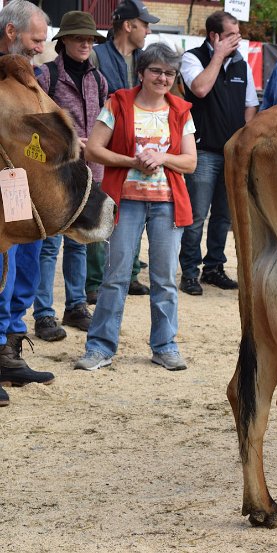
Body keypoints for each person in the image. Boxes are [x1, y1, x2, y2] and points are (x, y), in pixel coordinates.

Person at [74, 42, 197, 372]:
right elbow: (94, 150)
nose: (163, 77)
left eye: (169, 72)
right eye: (156, 70)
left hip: (166, 204)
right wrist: (132, 161)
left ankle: (164, 345)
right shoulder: (117, 103)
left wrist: (163, 157)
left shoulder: (181, 110)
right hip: (125, 202)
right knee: (115, 277)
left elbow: (190, 162)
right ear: (140, 72)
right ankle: (100, 346)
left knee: (165, 279)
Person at [32, 11, 108, 343]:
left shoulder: (99, 79)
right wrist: (66, 141)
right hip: (53, 174)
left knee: (79, 243)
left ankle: (76, 306)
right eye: (79, 38)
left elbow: (105, 122)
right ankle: (44, 314)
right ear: (63, 41)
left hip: (89, 174)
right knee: (48, 246)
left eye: (90, 39)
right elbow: (32, 121)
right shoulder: (44, 75)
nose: (85, 43)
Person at [178, 11, 258, 296]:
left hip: (232, 154)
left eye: (238, 35)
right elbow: (199, 89)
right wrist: (218, 57)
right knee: (196, 215)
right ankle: (190, 272)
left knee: (224, 217)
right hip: (201, 151)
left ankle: (214, 268)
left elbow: (251, 105)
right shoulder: (193, 57)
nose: (236, 41)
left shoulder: (242, 64)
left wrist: (245, 139)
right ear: (214, 36)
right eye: (230, 36)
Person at [0, 0, 55, 407]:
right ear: (11, 33)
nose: (41, 47)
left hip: (20, 185)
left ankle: (10, 346)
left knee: (27, 261)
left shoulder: (29, 77)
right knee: (2, 268)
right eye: (37, 39)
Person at [88, 0, 160, 303]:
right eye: (145, 24)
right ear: (128, 25)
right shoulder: (97, 55)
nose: (148, 30)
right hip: (104, 148)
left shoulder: (145, 60)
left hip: (139, 150)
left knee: (132, 211)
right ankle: (93, 282)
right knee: (99, 211)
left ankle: (129, 274)